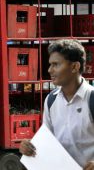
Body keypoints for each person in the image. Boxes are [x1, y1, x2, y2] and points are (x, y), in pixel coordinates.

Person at [19, 39, 94, 170]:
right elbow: (47, 141)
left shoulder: (91, 98)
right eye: (50, 64)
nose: (50, 70)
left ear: (75, 67)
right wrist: (28, 147)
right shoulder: (51, 100)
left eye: (56, 64)